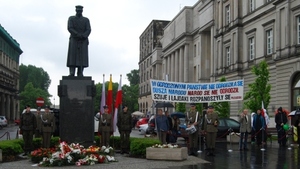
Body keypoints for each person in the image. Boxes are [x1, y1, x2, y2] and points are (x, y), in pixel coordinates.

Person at [67, 5, 91, 77]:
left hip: (83, 40)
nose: (79, 12)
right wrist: (77, 34)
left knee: (82, 57)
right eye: (78, 10)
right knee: (72, 56)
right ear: (76, 11)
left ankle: (80, 72)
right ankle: (72, 72)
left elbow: (88, 29)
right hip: (74, 39)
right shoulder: (71, 18)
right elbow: (70, 28)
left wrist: (84, 35)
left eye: (80, 11)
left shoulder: (86, 20)